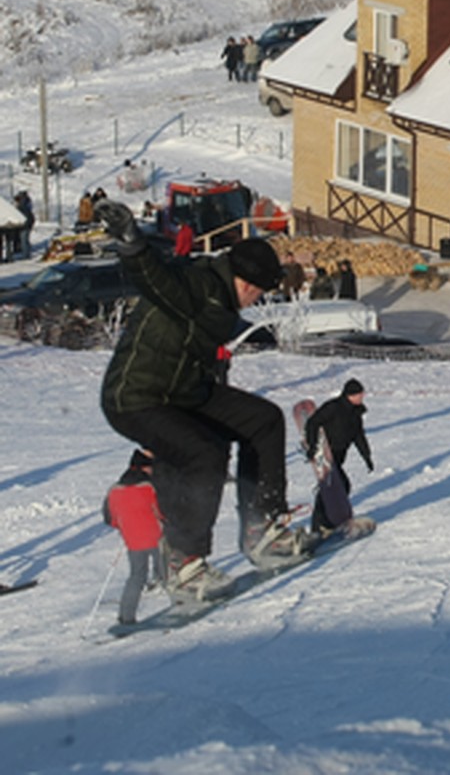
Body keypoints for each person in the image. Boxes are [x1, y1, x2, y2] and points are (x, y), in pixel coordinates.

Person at [94, 199, 306, 603]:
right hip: (136, 397)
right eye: (259, 292)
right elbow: (153, 277)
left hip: (184, 391)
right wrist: (131, 241)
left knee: (263, 420)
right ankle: (184, 563)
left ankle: (263, 529)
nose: (257, 300)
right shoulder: (199, 286)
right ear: (246, 283)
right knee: (204, 453)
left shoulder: (221, 296)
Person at [303, 378, 375, 535]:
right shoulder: (333, 407)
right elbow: (313, 423)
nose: (362, 396)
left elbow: (358, 435)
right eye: (359, 394)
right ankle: (319, 526)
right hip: (327, 455)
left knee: (334, 488)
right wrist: (312, 446)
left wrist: (366, 456)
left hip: (339, 457)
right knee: (338, 487)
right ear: (350, 395)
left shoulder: (355, 412)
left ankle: (326, 523)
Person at [103, 448, 163, 626]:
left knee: (136, 576)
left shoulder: (114, 490)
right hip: (157, 536)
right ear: (145, 468)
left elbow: (110, 518)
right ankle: (182, 603)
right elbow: (162, 511)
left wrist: (126, 526)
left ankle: (126, 617)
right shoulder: (150, 487)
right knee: (170, 571)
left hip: (133, 540)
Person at [13, 189, 34, 259]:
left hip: (24, 226)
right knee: (24, 240)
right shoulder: (27, 205)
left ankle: (26, 255)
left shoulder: (23, 206)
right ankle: (25, 253)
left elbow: (25, 217)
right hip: (26, 225)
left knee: (24, 241)